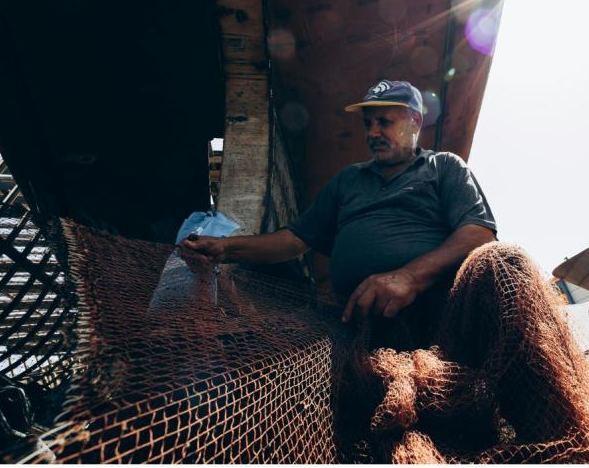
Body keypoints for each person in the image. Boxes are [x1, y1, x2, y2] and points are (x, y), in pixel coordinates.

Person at [183, 80, 496, 344]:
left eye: (384, 122)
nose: (373, 133)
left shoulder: (444, 167)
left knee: (504, 263)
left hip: (435, 319)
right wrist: (226, 247)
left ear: (415, 121)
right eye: (368, 124)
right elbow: (294, 240)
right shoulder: (349, 179)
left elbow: (478, 234)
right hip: (354, 326)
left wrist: (408, 277)